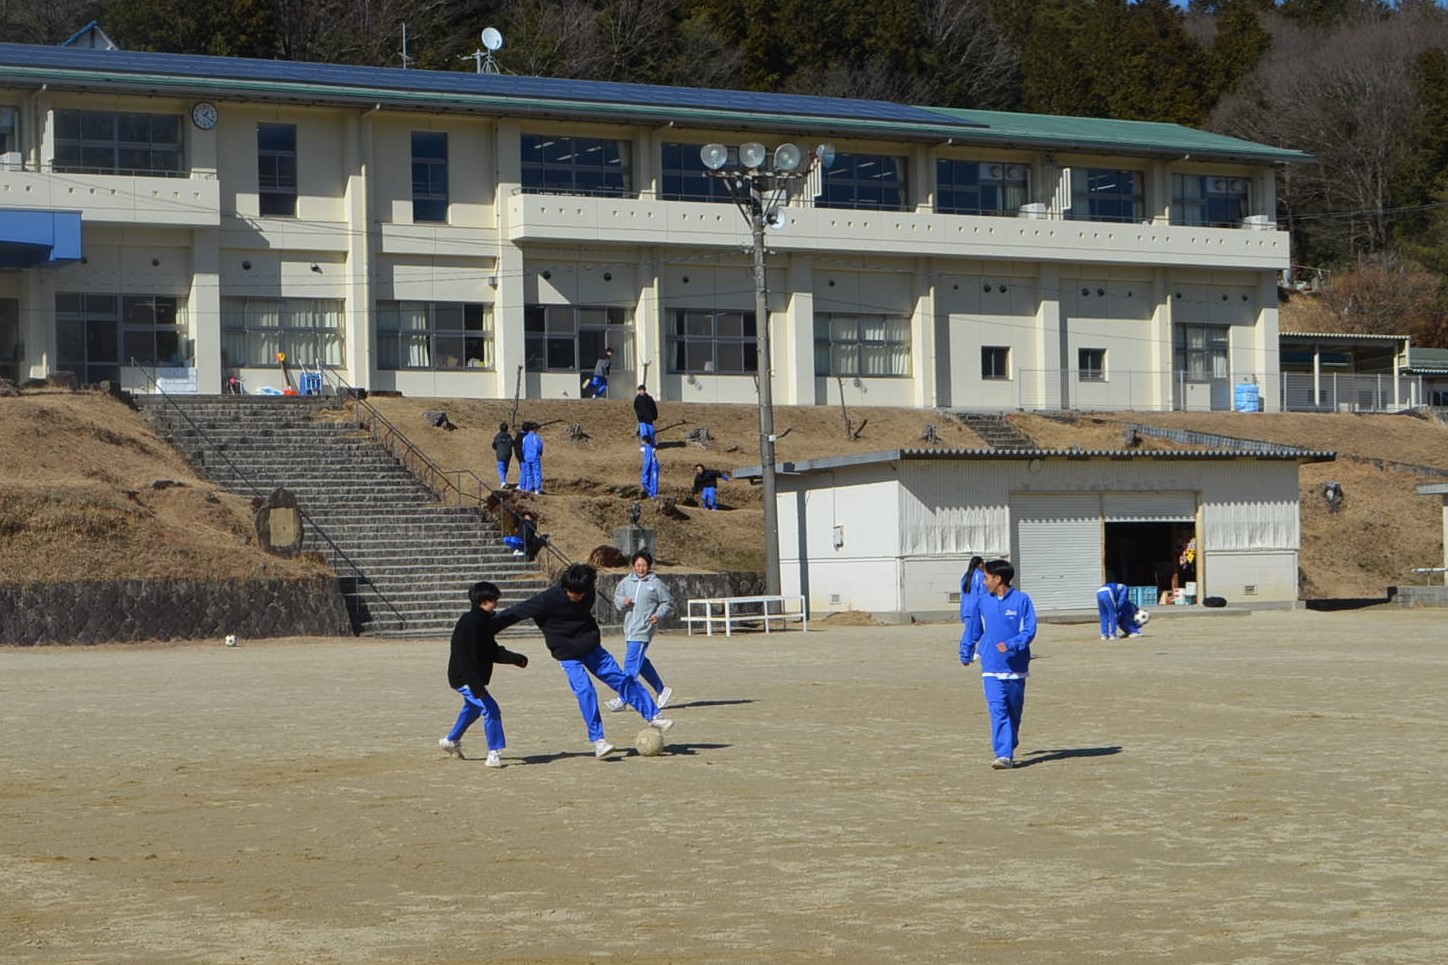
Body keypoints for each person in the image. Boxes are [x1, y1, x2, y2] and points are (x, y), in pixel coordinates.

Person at [493, 563, 673, 758]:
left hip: (592, 648)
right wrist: (485, 628)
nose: (577, 597)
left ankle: (653, 715)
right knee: (585, 691)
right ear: (565, 587)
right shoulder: (547, 600)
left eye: (581, 593)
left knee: (622, 679)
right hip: (567, 654)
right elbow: (514, 613)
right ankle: (599, 741)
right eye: (573, 593)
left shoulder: (588, 593)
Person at [439, 581, 529, 768]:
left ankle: (450, 740)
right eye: (492, 600)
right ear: (482, 601)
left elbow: (492, 651)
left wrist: (516, 659)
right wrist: (478, 688)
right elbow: (465, 659)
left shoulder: (484, 622)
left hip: (473, 678)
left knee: (472, 709)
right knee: (491, 709)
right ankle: (494, 753)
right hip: (463, 678)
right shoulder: (469, 623)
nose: (495, 603)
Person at [959, 559, 1038, 770]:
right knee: (998, 710)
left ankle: (1009, 742)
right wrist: (965, 651)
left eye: (986, 578)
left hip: (1016, 667)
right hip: (991, 667)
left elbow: (1029, 630)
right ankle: (1003, 754)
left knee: (1013, 713)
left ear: (998, 579)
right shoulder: (983, 602)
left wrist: (1012, 644)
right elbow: (973, 630)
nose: (983, 582)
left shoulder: (1022, 601)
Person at [606, 551, 674, 715]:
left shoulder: (655, 583)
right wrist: (623, 601)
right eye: (638, 565)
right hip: (630, 628)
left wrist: (658, 615)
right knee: (640, 661)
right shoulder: (626, 582)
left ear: (649, 566)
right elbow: (617, 599)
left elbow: (668, 602)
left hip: (644, 628)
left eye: (644, 565)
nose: (641, 568)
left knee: (631, 664)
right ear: (633, 566)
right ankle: (661, 689)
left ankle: (623, 698)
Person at [959, 555, 986, 629]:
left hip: (966, 609)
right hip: (976, 610)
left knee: (969, 633)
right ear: (980, 564)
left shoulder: (965, 576)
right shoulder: (980, 576)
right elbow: (983, 593)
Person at [520, 422, 544, 495]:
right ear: (535, 429)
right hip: (534, 457)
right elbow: (539, 447)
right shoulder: (536, 437)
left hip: (527, 457)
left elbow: (523, 448)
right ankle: (537, 489)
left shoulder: (525, 438)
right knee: (537, 473)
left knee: (529, 473)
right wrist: (540, 453)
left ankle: (529, 488)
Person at [491, 422, 515, 488]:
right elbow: (512, 444)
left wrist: (498, 448)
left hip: (500, 454)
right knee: (505, 468)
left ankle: (503, 481)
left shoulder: (497, 436)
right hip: (508, 454)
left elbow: (493, 445)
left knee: (501, 468)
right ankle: (503, 481)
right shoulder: (509, 436)